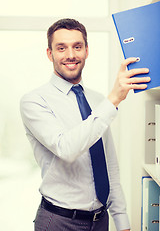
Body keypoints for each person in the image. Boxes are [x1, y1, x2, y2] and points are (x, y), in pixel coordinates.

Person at [20, 18, 150, 231]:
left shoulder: (99, 101)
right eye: (61, 48)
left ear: (87, 51)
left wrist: (122, 220)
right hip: (58, 221)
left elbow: (109, 166)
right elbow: (66, 148)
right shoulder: (34, 101)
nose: (70, 55)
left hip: (101, 221)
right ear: (49, 54)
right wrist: (114, 99)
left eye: (77, 47)